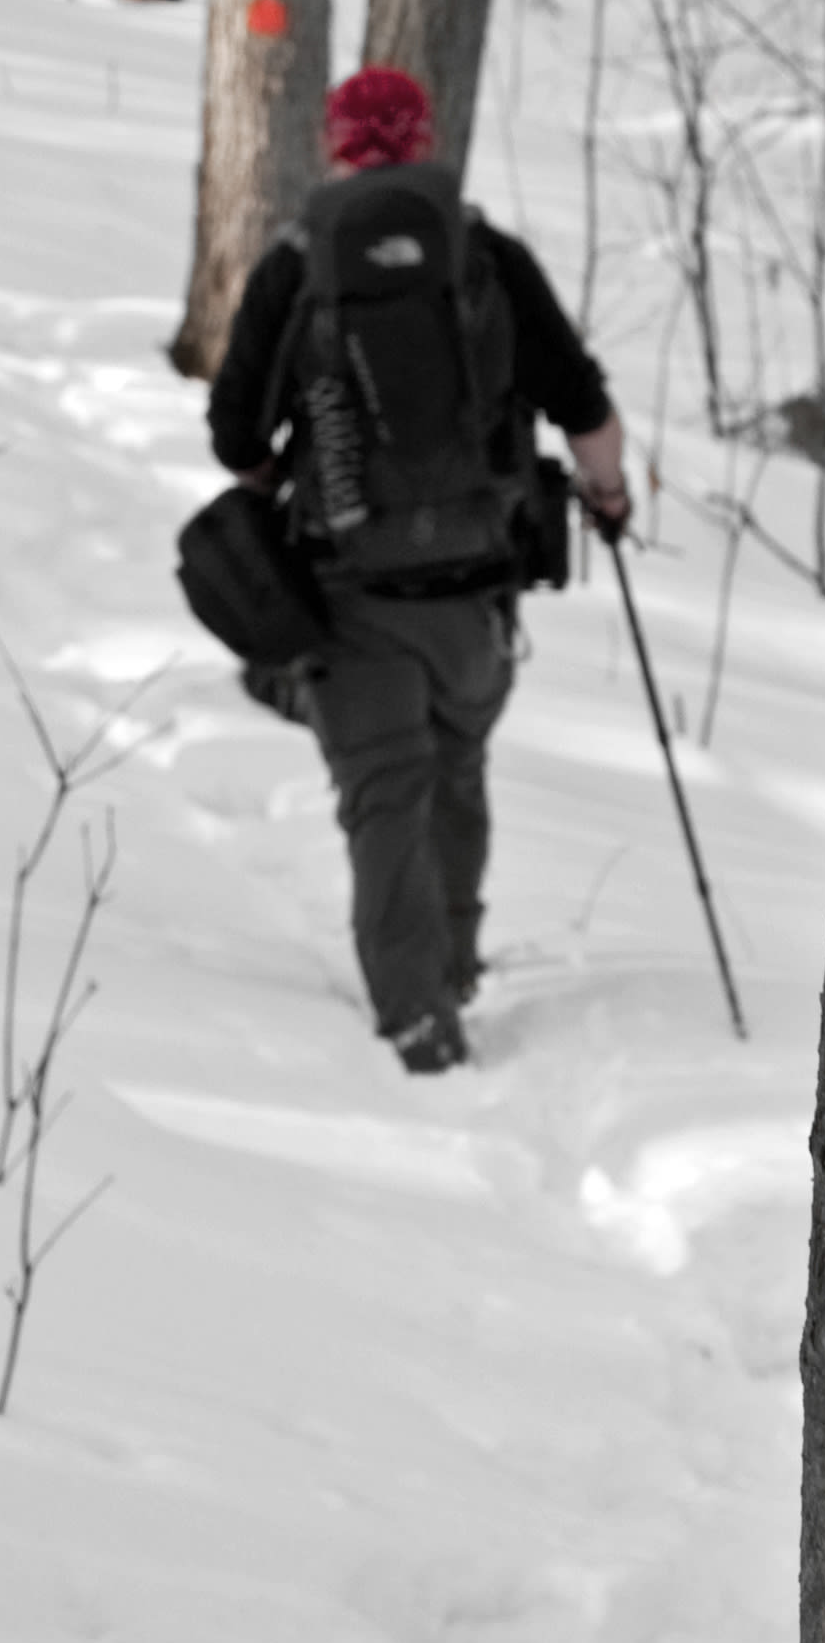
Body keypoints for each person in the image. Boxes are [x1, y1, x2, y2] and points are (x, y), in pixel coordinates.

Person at [206, 66, 629, 1074]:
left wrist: (300, 466)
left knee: (382, 798)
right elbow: (582, 407)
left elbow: (233, 437)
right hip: (476, 594)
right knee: (455, 771)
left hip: (352, 594)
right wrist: (607, 498)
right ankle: (454, 964)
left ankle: (416, 1017)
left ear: (335, 143)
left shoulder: (297, 266)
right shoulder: (482, 255)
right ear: (425, 136)